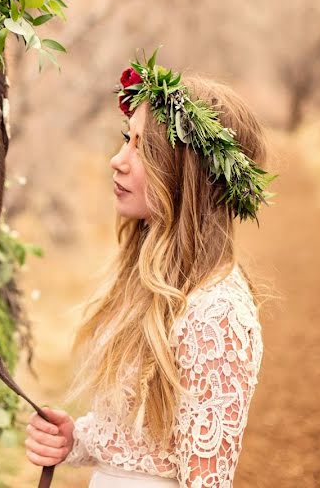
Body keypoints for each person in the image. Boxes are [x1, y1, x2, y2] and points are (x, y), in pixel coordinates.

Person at [24, 54, 272, 487]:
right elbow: (147, 442)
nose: (117, 160)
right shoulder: (144, 282)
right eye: (126, 139)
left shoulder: (215, 314)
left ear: (185, 174)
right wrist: (74, 439)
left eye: (143, 147)